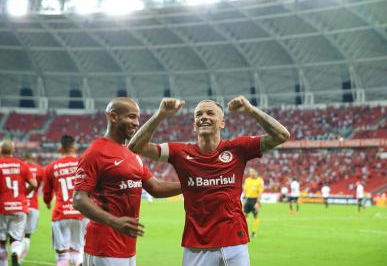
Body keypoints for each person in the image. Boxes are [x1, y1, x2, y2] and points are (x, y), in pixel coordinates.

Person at [128, 96, 290, 266]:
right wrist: (160, 114)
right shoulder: (180, 152)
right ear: (194, 125)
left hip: (235, 244)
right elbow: (135, 146)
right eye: (198, 115)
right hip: (197, 246)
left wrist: (250, 109)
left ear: (222, 123)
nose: (203, 117)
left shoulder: (237, 148)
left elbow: (281, 135)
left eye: (210, 113)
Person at [73, 97, 182, 266]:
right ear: (113, 117)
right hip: (104, 245)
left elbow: (156, 187)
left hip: (127, 244)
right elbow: (79, 199)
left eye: (137, 118)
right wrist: (113, 221)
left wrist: (192, 183)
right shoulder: (95, 152)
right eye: (131, 117)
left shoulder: (132, 153)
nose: (136, 122)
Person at [43, 135, 85, 266]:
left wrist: (48, 202)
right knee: (77, 251)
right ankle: (79, 262)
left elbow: (47, 193)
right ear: (75, 147)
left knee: (62, 255)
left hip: (61, 214)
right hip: (81, 213)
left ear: (60, 149)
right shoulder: (82, 164)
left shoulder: (51, 167)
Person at [0, 140, 37, 266]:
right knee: (16, 239)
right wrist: (24, 194)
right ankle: (15, 251)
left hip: (2, 208)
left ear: (1, 151)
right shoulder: (22, 165)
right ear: (13, 150)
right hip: (20, 207)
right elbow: (34, 184)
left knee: (1, 241)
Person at [20, 152, 45, 262]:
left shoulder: (19, 167)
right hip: (33, 205)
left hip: (19, 204)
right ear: (33, 158)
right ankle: (20, 259)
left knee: (16, 235)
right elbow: (39, 186)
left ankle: (15, 252)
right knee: (27, 236)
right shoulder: (40, 170)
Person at [242, 168, 264, 238]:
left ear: (255, 173)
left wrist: (258, 202)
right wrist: (243, 200)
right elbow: (245, 191)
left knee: (255, 216)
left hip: (255, 200)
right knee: (244, 215)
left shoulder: (259, 180)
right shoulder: (247, 180)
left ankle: (254, 232)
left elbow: (260, 192)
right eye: (250, 172)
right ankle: (245, 231)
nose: (251, 174)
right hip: (248, 199)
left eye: (252, 172)